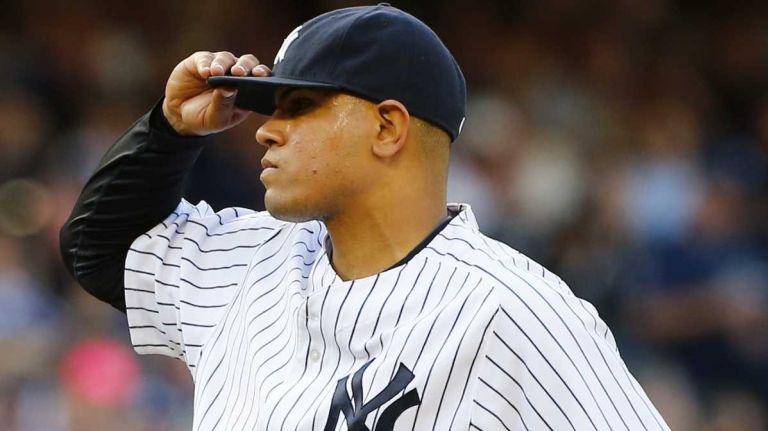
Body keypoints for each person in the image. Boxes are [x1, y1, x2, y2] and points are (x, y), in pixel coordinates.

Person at [60, 4, 669, 430]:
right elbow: (100, 248)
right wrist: (166, 133)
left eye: (299, 106)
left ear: (387, 127)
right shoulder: (253, 258)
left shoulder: (510, 310)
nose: (267, 130)